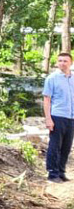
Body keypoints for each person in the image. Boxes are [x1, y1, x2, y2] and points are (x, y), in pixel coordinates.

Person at [43, 51, 74, 183]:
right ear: (57, 62)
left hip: (71, 117)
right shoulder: (52, 78)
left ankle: (61, 172)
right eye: (60, 61)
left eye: (65, 61)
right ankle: (52, 173)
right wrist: (48, 119)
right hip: (57, 116)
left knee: (66, 146)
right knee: (55, 146)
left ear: (71, 62)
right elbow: (47, 100)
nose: (62, 63)